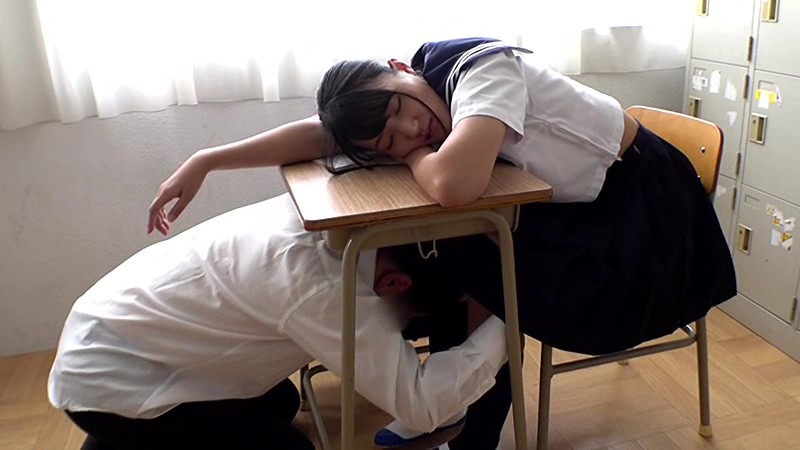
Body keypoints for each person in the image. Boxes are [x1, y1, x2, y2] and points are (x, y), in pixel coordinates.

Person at [147, 37, 737, 449]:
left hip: (641, 212)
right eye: (387, 139)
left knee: (471, 248)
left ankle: (462, 418)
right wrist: (207, 160)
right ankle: (458, 412)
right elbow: (320, 135)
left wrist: (412, 155)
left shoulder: (484, 69)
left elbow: (454, 183)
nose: (411, 129)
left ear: (400, 66)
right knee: (460, 245)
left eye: (398, 109)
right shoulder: (419, 94)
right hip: (567, 205)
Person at [50, 193, 509, 450]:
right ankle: (123, 434)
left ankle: (128, 436)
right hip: (110, 384)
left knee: (280, 402)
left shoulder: (337, 213)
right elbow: (423, 408)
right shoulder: (325, 289)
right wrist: (507, 322)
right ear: (395, 283)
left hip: (113, 328)